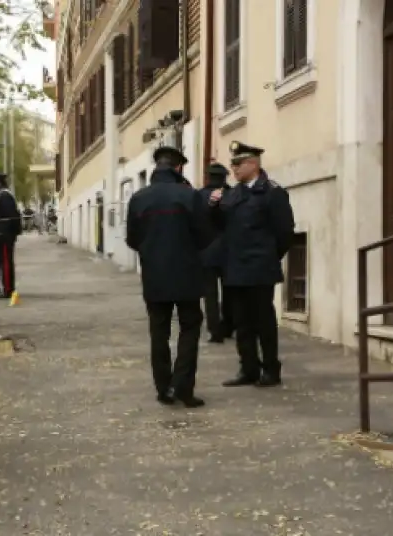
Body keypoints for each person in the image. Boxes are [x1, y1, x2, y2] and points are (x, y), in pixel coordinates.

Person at [126, 146, 211, 408]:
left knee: (159, 331)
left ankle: (164, 388)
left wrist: (152, 252)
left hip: (154, 275)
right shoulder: (189, 196)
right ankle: (182, 386)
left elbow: (132, 239)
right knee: (190, 326)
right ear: (178, 168)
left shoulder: (139, 198)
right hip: (186, 273)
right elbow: (204, 235)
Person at [209, 141, 295, 388]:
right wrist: (213, 207)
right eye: (232, 164)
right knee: (241, 322)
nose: (233, 169)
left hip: (259, 268)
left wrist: (268, 257)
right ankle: (248, 368)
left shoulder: (272, 192)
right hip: (235, 268)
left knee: (263, 322)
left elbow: (284, 233)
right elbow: (220, 226)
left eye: (237, 164)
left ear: (253, 164)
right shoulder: (233, 193)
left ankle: (270, 369)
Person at [199, 162, 234, 343]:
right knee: (229, 292)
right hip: (229, 250)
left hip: (206, 251)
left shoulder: (198, 196)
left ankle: (215, 330)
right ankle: (228, 326)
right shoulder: (232, 194)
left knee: (210, 294)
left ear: (208, 177)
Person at [0, 172, 22, 299]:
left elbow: (8, 217)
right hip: (4, 235)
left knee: (6, 262)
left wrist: (1, 231)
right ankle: (7, 287)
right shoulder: (2, 195)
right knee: (5, 262)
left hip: (5, 235)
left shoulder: (5, 196)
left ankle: (8, 289)